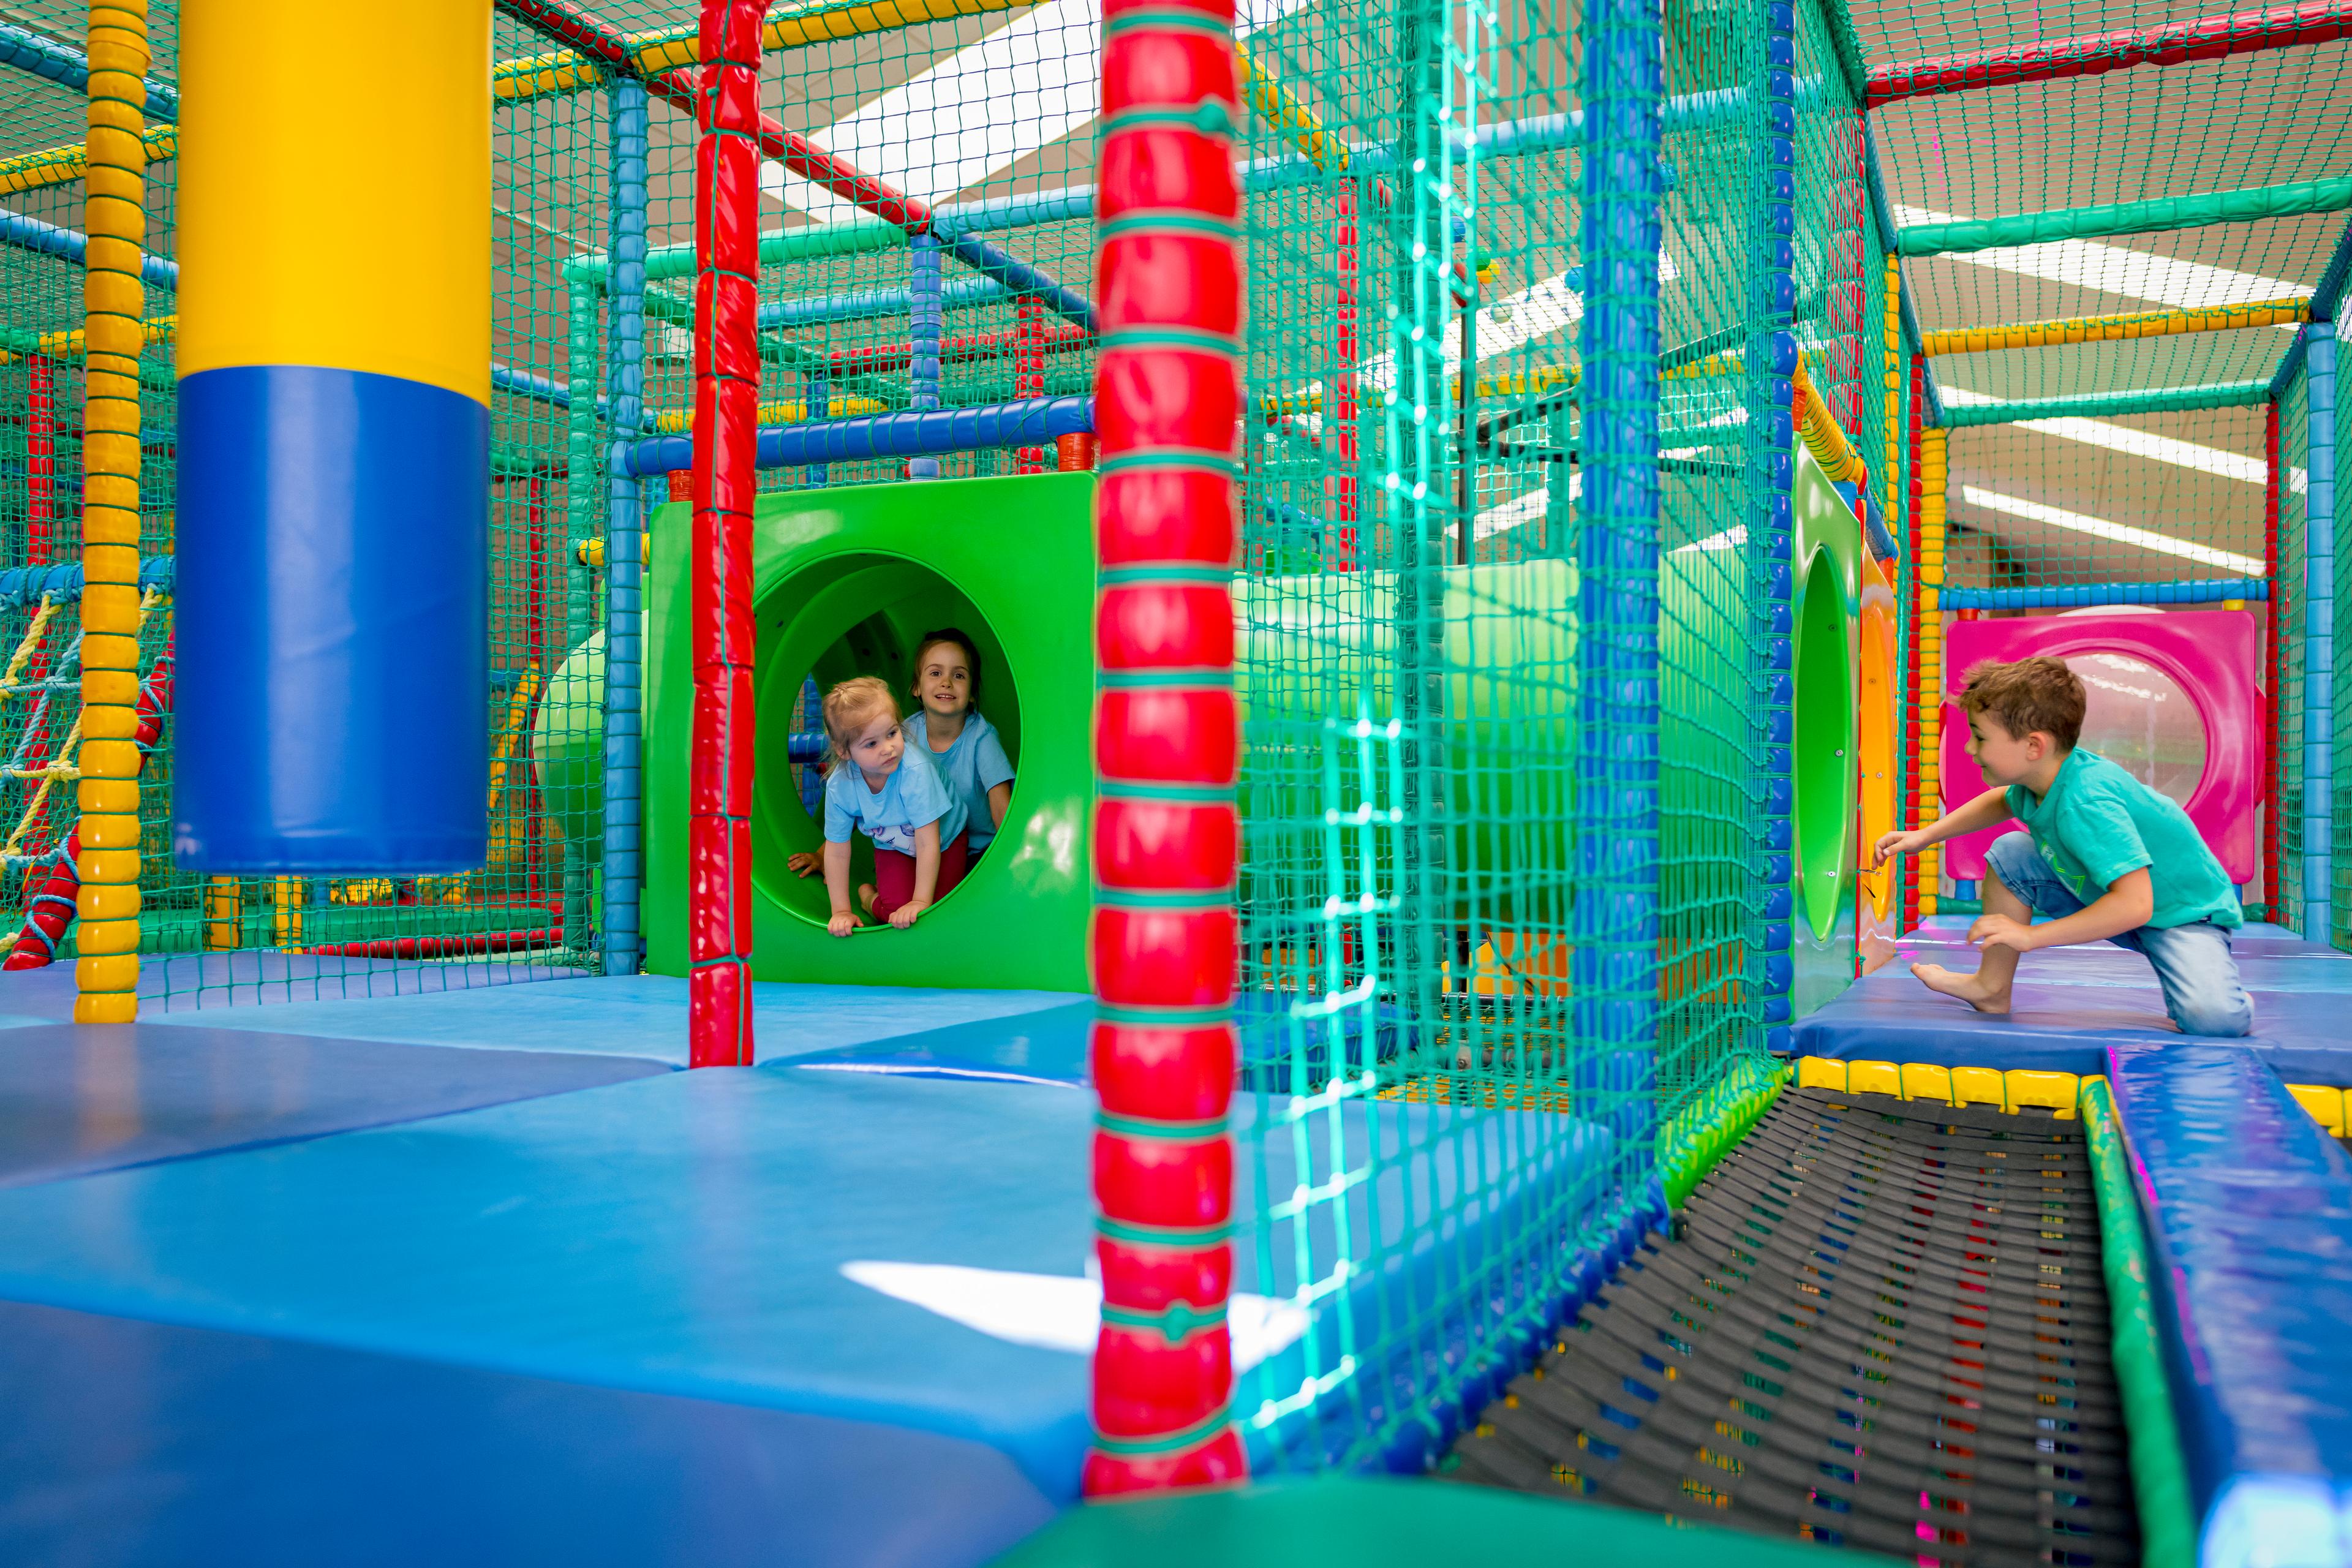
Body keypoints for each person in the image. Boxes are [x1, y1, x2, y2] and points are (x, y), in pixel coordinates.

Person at [1871, 654, 2252, 1037]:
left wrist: (2031, 936)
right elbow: (2003, 800)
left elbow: (2137, 904)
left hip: (2181, 916)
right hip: (2112, 900)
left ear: (2034, 746)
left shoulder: (2085, 802)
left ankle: (2219, 989)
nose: (1970, 748)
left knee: (2214, 1021)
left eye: (1980, 736)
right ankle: (1991, 987)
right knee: (2012, 853)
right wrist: (1925, 836)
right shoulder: (2040, 783)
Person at [815, 676, 968, 936]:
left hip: (945, 839)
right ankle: (869, 899)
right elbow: (837, 850)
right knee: (895, 912)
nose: (888, 748)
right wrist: (841, 910)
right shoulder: (840, 786)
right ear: (843, 751)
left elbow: (927, 842)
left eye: (892, 733)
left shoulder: (916, 771)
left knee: (936, 910)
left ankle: (888, 899)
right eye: (871, 744)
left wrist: (920, 900)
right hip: (892, 844)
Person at [900, 628, 1016, 863]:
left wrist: (1010, 861)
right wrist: (824, 853)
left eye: (959, 676)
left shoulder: (981, 738)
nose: (946, 683)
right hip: (926, 847)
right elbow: (868, 785)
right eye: (935, 673)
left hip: (978, 851)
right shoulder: (907, 735)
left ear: (972, 693)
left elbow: (1002, 808)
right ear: (917, 688)